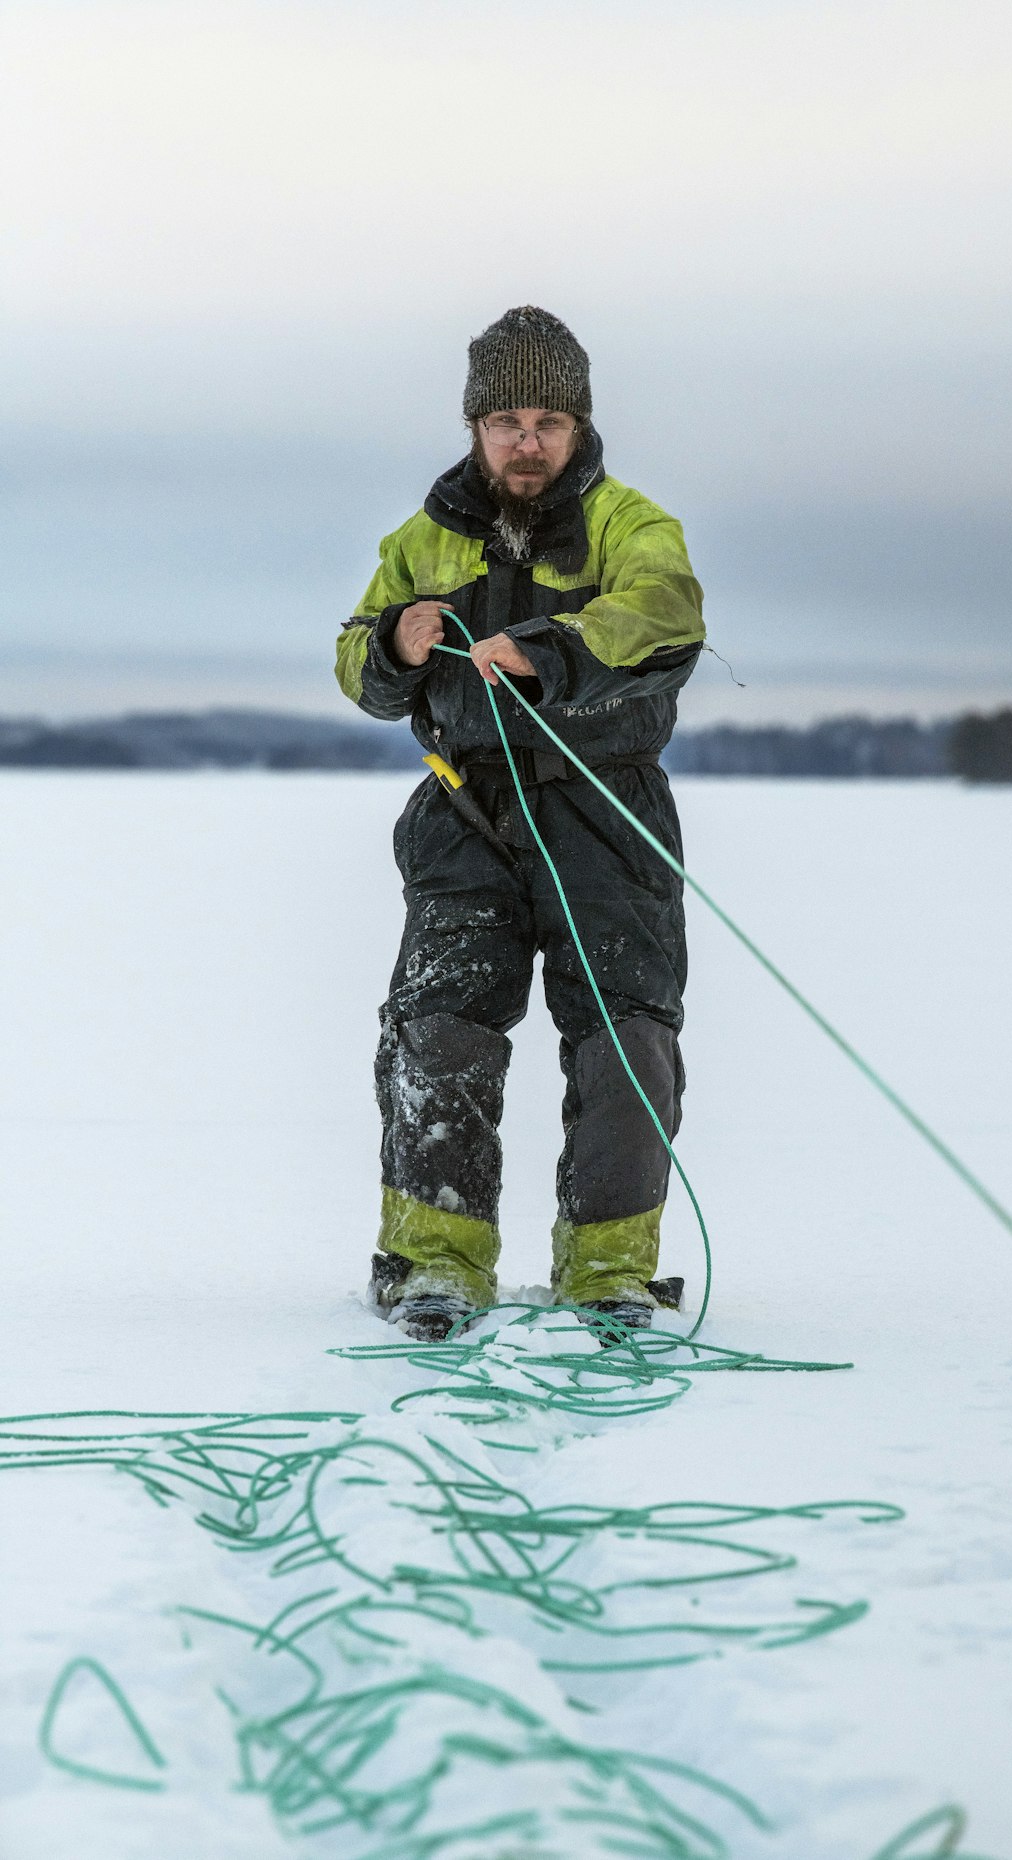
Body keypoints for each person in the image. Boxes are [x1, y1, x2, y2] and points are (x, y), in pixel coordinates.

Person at [336, 306, 704, 1341]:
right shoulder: (422, 538)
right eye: (504, 419)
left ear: (579, 425)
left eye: (546, 418)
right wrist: (394, 648)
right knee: (439, 1029)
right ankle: (433, 1264)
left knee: (626, 1039)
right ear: (474, 428)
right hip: (466, 809)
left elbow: (665, 612)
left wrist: (547, 646)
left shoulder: (634, 524)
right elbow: (353, 656)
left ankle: (609, 1275)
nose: (526, 439)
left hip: (604, 808)